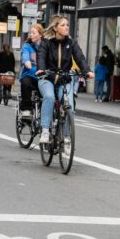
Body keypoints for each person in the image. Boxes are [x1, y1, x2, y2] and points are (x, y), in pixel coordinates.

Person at [36, 14, 93, 145]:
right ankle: (45, 129)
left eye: (67, 25)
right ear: (55, 28)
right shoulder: (46, 41)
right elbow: (41, 55)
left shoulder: (71, 42)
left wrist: (87, 71)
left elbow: (80, 57)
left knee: (70, 107)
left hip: (64, 80)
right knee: (49, 97)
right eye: (63, 25)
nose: (66, 27)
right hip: (47, 78)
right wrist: (41, 68)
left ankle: (66, 138)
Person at [18, 24, 43, 120]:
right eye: (30, 33)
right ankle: (26, 110)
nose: (31, 35)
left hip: (41, 76)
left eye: (33, 33)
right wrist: (26, 61)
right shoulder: (27, 46)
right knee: (25, 83)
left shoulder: (45, 47)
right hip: (29, 75)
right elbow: (25, 55)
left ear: (40, 35)